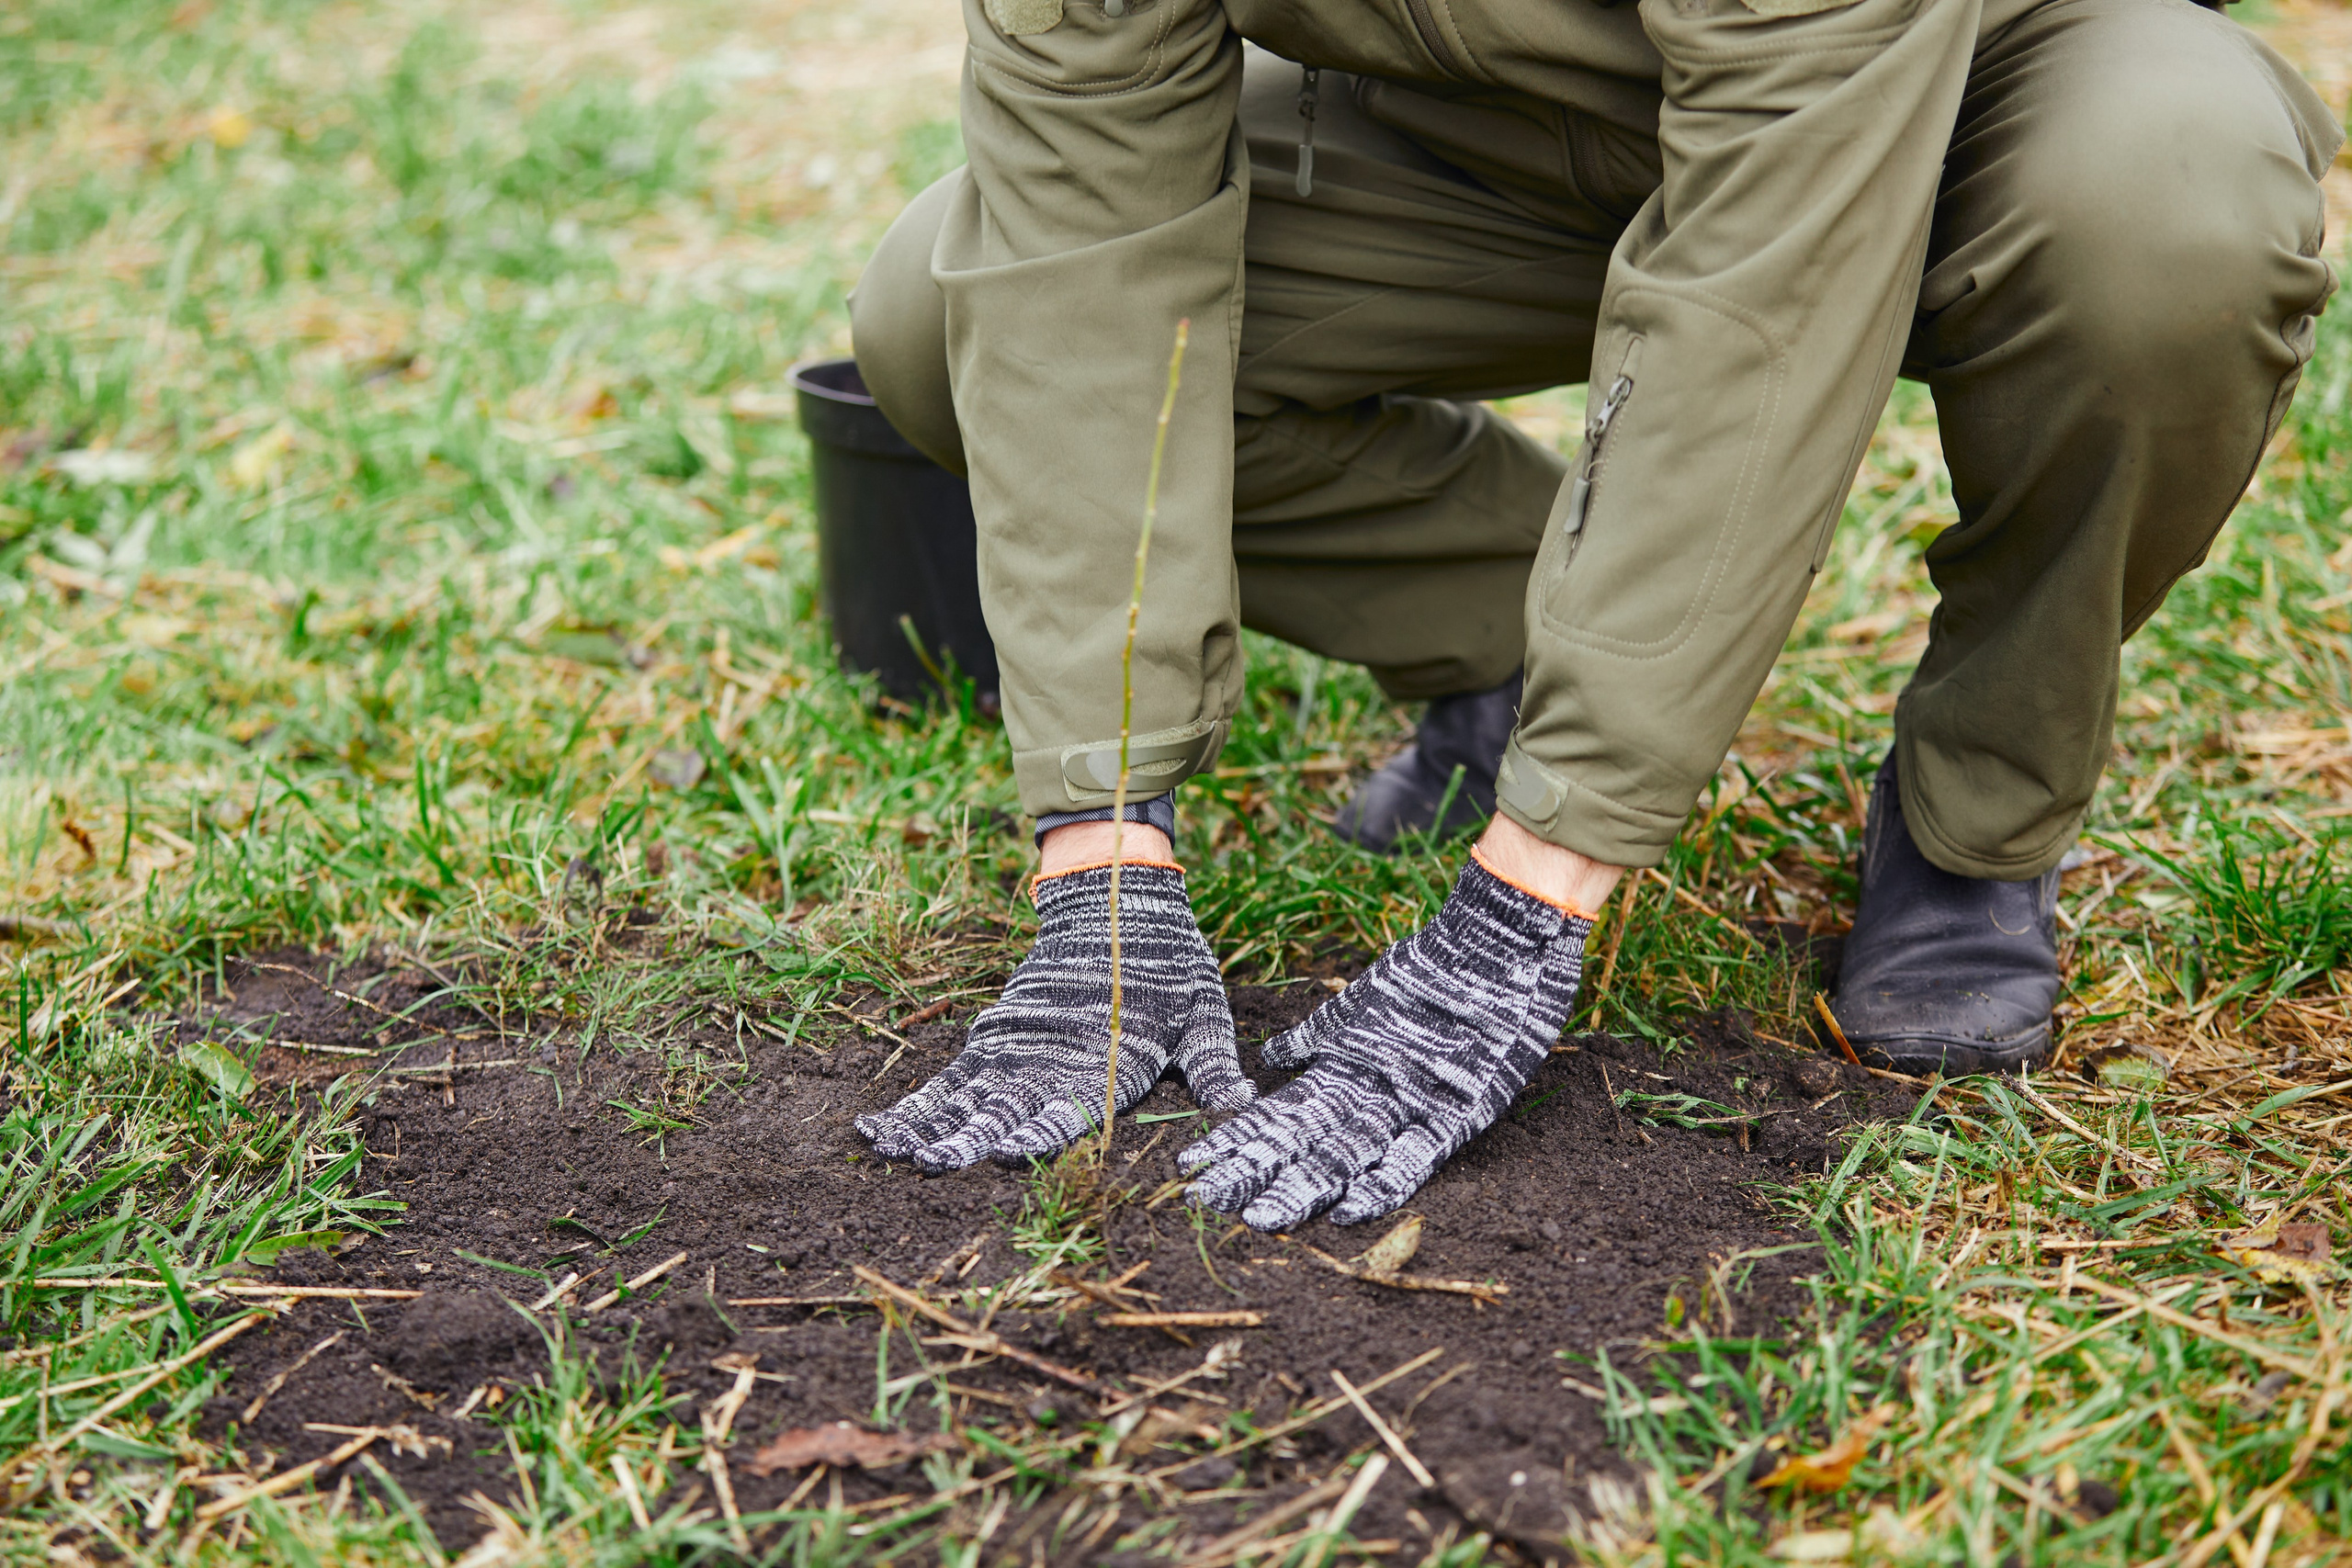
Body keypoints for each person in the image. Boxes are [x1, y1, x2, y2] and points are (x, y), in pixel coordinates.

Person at [849, 0, 2338, 1232]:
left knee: (2171, 223)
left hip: (1967, 94)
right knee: (942, 313)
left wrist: (1519, 911)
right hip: (1482, 125)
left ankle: (1973, 820)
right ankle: (1505, 622)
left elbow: (1758, 305)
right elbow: (1081, 234)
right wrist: (1100, 844)